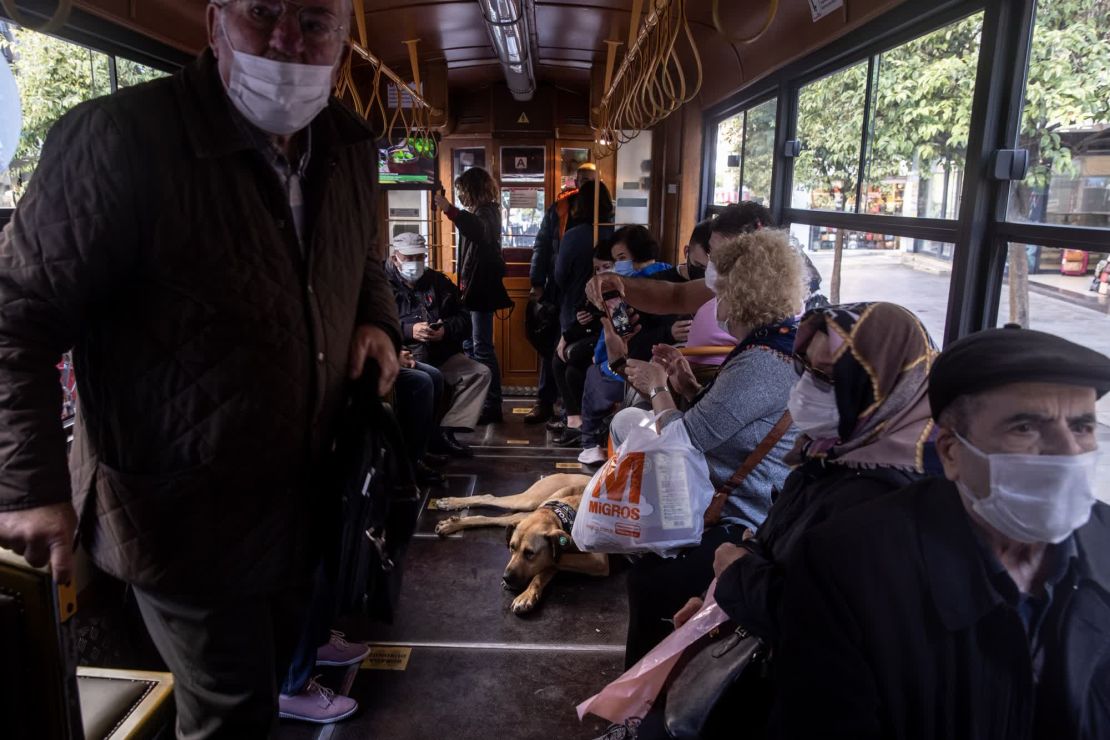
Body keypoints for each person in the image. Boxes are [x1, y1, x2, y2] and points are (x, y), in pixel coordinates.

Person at [0, 0, 403, 734]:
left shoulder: (347, 144)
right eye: (262, 14)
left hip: (304, 495)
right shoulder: (119, 140)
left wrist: (376, 316)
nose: (287, 42)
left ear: (344, 43)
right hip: (178, 515)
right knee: (232, 711)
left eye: (314, 21)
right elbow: (13, 317)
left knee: (270, 677)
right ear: (216, 22)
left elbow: (362, 252)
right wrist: (29, 484)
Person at [772, 326, 1110, 740]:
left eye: (1081, 427)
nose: (1068, 451)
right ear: (952, 453)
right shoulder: (849, 567)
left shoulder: (1105, 544)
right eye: (1026, 428)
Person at [613, 228, 804, 665]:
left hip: (741, 513)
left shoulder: (760, 363)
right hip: (745, 491)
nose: (714, 305)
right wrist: (687, 385)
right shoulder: (774, 345)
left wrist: (658, 387)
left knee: (649, 581)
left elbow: (685, 441)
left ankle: (643, 696)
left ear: (739, 297)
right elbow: (731, 423)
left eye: (719, 295)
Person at [575, 225, 682, 465]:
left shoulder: (623, 291)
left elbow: (616, 335)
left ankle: (590, 441)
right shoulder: (676, 278)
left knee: (593, 371)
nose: (617, 266)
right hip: (675, 368)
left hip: (638, 368)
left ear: (638, 254)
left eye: (620, 258)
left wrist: (604, 357)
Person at [386, 232, 491, 457]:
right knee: (428, 378)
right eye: (409, 258)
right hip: (404, 354)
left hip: (439, 351)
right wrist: (408, 331)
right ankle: (423, 444)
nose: (415, 263)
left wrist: (444, 331)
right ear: (395, 258)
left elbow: (464, 319)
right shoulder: (382, 285)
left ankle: (444, 431)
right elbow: (374, 324)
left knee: (480, 373)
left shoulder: (437, 281)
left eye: (420, 257)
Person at [525, 162, 598, 424]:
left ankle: (574, 412)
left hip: (588, 290)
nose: (586, 183)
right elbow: (542, 245)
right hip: (559, 288)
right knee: (551, 347)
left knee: (575, 347)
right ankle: (545, 402)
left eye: (591, 179)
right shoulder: (560, 208)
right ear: (575, 181)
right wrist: (537, 282)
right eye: (583, 179)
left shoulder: (602, 211)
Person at [435, 167, 508, 426]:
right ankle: (475, 401)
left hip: (480, 291)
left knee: (481, 348)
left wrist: (448, 208)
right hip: (474, 290)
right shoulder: (484, 212)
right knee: (471, 346)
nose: (461, 197)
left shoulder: (486, 212)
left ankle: (492, 403)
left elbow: (476, 231)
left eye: (462, 192)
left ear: (472, 190)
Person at [551, 241, 612, 446]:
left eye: (607, 266)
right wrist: (566, 336)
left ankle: (580, 424)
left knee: (573, 368)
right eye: (598, 268)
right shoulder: (592, 287)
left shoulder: (622, 288)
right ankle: (574, 421)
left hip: (605, 343)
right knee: (559, 359)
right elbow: (582, 316)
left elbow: (605, 324)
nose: (602, 272)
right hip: (591, 336)